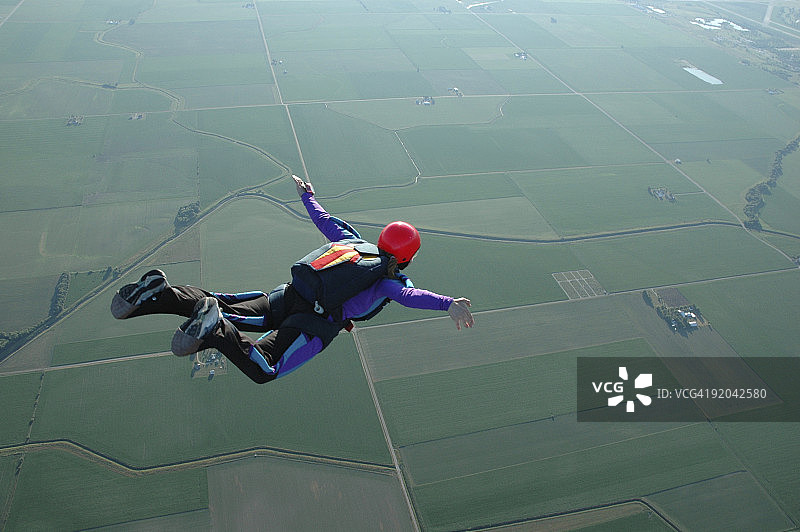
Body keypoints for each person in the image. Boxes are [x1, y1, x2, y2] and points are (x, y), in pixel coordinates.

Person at [111, 175, 474, 384]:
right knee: (264, 366)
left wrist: (307, 196)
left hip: (286, 296)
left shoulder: (352, 242)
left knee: (226, 309)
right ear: (408, 256)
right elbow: (411, 297)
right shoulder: (387, 282)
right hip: (312, 325)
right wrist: (448, 304)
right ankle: (214, 329)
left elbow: (323, 219)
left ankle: (159, 295)